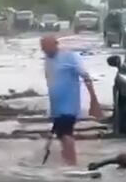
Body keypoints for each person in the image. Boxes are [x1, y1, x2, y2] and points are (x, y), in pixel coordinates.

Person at [41, 35, 103, 165]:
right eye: (43, 48)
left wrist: (94, 100)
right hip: (56, 108)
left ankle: (72, 165)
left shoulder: (70, 57)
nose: (45, 51)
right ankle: (68, 162)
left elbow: (86, 77)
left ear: (55, 44)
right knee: (62, 135)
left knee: (66, 134)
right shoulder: (47, 59)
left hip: (69, 106)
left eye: (47, 48)